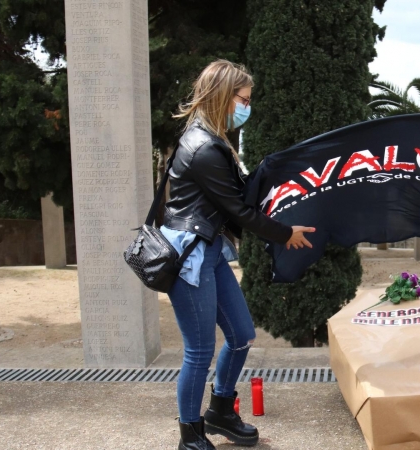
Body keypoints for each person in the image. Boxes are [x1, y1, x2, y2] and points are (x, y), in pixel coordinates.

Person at [163, 60, 315, 450]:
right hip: (190, 258)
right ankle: (190, 435)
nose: (246, 107)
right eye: (243, 99)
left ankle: (221, 411)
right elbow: (239, 211)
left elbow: (240, 192)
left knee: (242, 335)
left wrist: (277, 171)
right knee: (199, 351)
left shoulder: (214, 140)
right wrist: (286, 234)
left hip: (211, 251)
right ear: (221, 96)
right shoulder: (202, 148)